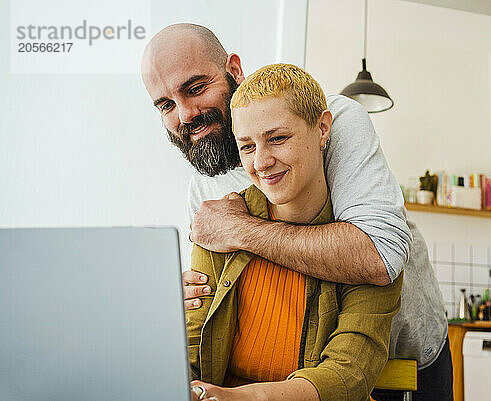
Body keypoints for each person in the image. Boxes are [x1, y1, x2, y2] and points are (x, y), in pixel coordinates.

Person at [141, 24, 452, 401]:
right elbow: (201, 329)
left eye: (195, 88)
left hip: (406, 355)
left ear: (234, 71)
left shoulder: (337, 119)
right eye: (166, 105)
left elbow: (378, 256)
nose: (186, 113)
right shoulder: (206, 191)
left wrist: (241, 230)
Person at [185, 62, 404, 401]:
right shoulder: (221, 223)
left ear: (322, 129)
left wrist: (238, 398)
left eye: (278, 139)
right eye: (247, 146)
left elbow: (348, 375)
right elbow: (188, 350)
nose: (261, 162)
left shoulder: (365, 251)